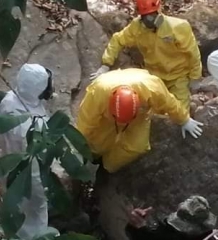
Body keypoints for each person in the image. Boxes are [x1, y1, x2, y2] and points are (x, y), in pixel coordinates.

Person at [90, 0, 202, 110]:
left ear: (159, 10)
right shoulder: (137, 28)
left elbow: (193, 53)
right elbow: (118, 40)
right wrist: (106, 64)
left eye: (152, 15)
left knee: (180, 112)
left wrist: (195, 77)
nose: (150, 20)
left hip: (178, 77)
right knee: (151, 113)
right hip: (154, 77)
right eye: (146, 17)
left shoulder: (178, 27)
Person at [76, 68, 204, 173]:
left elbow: (170, 103)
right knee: (97, 142)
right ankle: (93, 157)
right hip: (107, 117)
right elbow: (86, 121)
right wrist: (79, 145)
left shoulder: (152, 88)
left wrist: (184, 120)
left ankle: (106, 168)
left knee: (137, 146)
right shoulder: (98, 94)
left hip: (139, 116)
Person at [0, 64, 55, 240]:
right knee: (36, 209)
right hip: (29, 173)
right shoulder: (35, 124)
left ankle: (12, 231)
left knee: (14, 203)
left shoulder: (8, 100)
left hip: (7, 162)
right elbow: (39, 153)